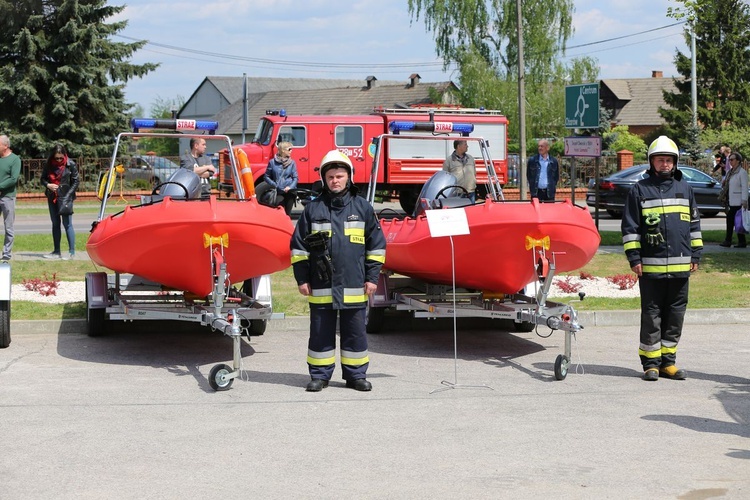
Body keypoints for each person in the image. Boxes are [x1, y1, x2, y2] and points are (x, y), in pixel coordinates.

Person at [290, 150, 386, 392]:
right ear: (324, 179)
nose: (335, 180)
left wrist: (372, 277)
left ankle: (356, 376)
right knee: (320, 332)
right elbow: (299, 248)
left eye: (339, 176)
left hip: (354, 284)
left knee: (355, 334)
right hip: (321, 285)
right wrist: (302, 279)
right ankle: (320, 376)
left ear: (349, 177)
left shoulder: (363, 208)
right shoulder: (313, 210)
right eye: (330, 176)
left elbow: (376, 246)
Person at [621, 136, 702, 382]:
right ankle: (650, 364)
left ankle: (669, 362)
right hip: (650, 267)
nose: (665, 164)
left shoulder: (685, 188)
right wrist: (634, 258)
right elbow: (630, 228)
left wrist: (696, 253)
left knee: (675, 315)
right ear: (652, 162)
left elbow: (695, 225)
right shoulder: (639, 190)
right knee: (652, 315)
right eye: (660, 160)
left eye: (669, 160)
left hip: (681, 266)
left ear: (675, 163)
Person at [40, 144, 80, 260]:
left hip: (66, 197)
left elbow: (76, 181)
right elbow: (42, 179)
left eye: (60, 158)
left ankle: (71, 252)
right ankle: (56, 251)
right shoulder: (48, 164)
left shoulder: (70, 164)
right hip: (52, 196)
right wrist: (48, 185)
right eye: (56, 158)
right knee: (55, 223)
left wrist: (68, 196)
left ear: (64, 156)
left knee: (67, 224)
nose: (58, 160)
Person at [719, 152, 748, 248]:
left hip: (739, 201)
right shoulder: (730, 172)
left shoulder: (742, 172)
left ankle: (728, 241)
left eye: (732, 159)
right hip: (731, 200)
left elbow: (744, 187)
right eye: (729, 160)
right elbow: (728, 185)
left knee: (733, 220)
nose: (730, 161)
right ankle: (741, 241)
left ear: (738, 161)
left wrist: (744, 200)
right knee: (736, 221)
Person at [0, 135, 22, 262]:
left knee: (8, 226)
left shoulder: (14, 160)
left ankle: (7, 253)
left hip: (7, 197)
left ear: (5, 146)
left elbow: (13, 179)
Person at [262, 141, 299, 215]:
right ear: (283, 150)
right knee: (279, 212)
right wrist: (275, 184)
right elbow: (266, 177)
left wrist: (290, 187)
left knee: (288, 214)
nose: (291, 151)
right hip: (278, 191)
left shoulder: (292, 163)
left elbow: (295, 178)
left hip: (289, 192)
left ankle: (287, 226)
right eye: (289, 149)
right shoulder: (272, 162)